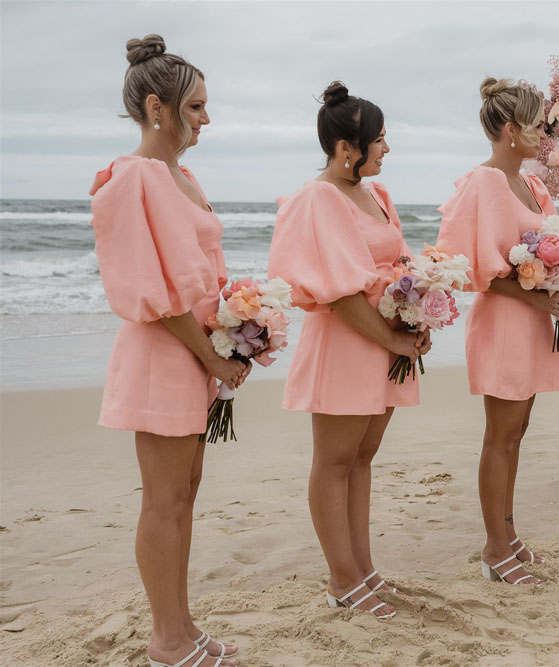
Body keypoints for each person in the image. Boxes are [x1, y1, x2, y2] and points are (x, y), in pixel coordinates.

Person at [90, 35, 245, 667]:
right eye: (197, 107)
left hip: (195, 353)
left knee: (186, 491)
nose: (207, 119)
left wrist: (238, 327)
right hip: (163, 354)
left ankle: (181, 625)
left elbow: (204, 272)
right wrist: (211, 356)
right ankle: (167, 641)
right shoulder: (131, 180)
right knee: (163, 498)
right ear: (159, 107)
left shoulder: (183, 176)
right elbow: (152, 288)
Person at [268, 82, 428, 620]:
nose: (386, 150)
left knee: (363, 459)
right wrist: (394, 340)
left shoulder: (376, 195)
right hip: (346, 343)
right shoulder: (319, 197)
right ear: (346, 148)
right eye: (379, 140)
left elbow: (400, 267)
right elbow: (339, 290)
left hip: (385, 343)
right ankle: (341, 578)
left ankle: (362, 567)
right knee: (334, 463)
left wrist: (419, 315)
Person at [435, 77, 559, 585]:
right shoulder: (485, 182)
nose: (543, 133)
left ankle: (508, 534)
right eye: (536, 124)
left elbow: (554, 243)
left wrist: (558, 283)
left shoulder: (532, 185)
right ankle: (495, 548)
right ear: (510, 130)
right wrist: (536, 292)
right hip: (505, 322)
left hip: (533, 319)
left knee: (519, 433)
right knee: (502, 436)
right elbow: (476, 269)